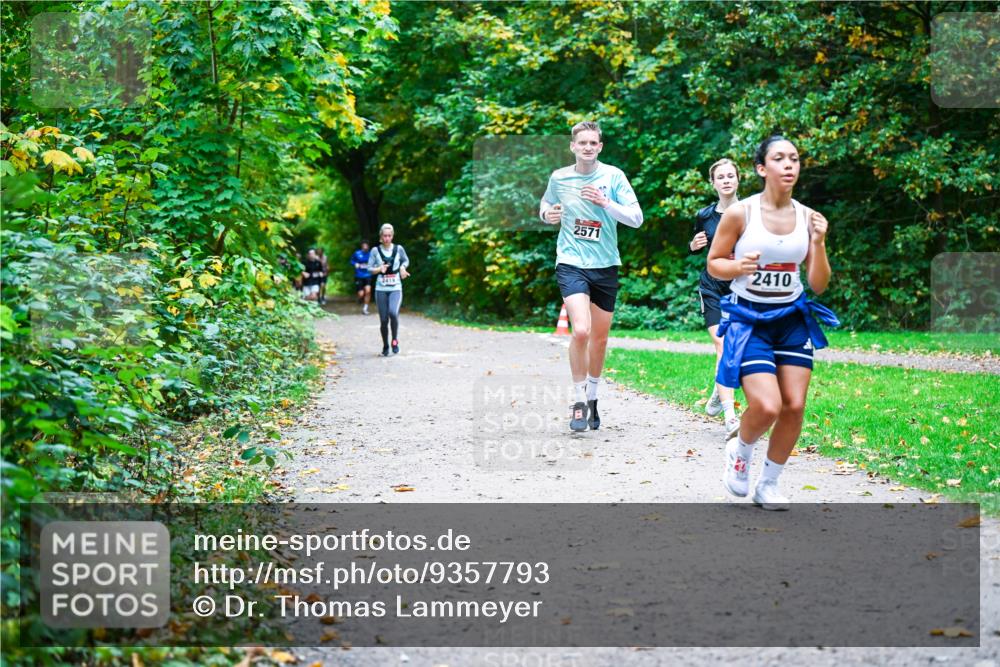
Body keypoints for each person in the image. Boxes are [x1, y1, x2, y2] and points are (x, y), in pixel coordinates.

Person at [707, 135, 838, 510]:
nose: (788, 164)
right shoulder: (740, 214)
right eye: (779, 158)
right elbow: (715, 262)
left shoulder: (808, 217)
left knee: (794, 405)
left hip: (792, 319)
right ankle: (740, 450)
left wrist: (820, 243)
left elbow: (817, 284)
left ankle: (769, 483)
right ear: (762, 169)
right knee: (766, 406)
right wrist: (738, 266)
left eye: (794, 158)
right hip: (750, 319)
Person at [539, 121, 643, 432]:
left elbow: (637, 218)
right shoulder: (560, 177)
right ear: (572, 146)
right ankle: (579, 400)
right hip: (570, 262)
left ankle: (594, 397)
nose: (587, 147)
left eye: (593, 143)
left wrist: (605, 203)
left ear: (600, 147)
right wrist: (547, 214)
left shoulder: (613, 177)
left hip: (606, 265)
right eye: (581, 142)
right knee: (581, 331)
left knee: (599, 339)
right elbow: (546, 203)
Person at [690, 158, 741, 436]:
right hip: (712, 287)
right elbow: (694, 244)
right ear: (713, 183)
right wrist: (693, 244)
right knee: (722, 345)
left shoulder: (750, 212)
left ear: (737, 180)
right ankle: (731, 417)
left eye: (730, 176)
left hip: (741, 289)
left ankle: (717, 393)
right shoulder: (704, 215)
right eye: (720, 177)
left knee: (736, 349)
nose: (725, 180)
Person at [368, 224, 410, 356]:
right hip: (381, 289)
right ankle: (385, 345)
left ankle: (395, 340)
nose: (387, 238)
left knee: (393, 312)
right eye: (384, 236)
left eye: (389, 236)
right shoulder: (375, 251)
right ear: (381, 237)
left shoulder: (398, 249)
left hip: (395, 288)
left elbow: (406, 260)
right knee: (384, 320)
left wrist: (403, 268)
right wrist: (379, 269)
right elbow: (369, 268)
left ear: (392, 236)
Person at [351, 241, 373, 314]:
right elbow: (352, 261)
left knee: (368, 291)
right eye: (364, 245)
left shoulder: (371, 254)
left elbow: (375, 262)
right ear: (362, 246)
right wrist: (355, 264)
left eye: (367, 245)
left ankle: (365, 308)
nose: (365, 247)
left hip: (368, 275)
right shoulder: (357, 253)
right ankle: (359, 299)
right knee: (361, 294)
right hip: (359, 275)